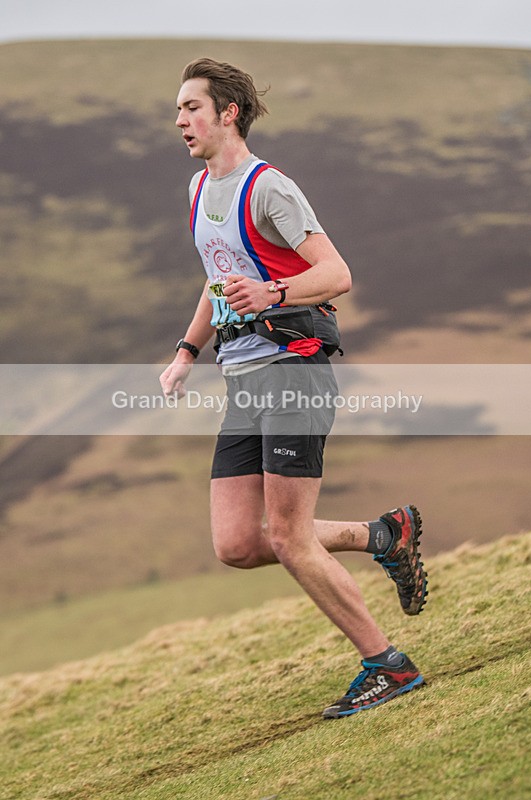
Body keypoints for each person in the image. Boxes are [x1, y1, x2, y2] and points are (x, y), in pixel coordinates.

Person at [160, 58, 428, 718]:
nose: (180, 120)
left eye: (192, 107)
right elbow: (218, 278)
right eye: (177, 110)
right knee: (239, 544)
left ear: (228, 113)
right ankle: (384, 536)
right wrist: (186, 350)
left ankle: (387, 666)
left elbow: (337, 272)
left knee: (287, 536)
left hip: (295, 370)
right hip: (245, 381)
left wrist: (275, 291)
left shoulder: (268, 188)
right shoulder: (198, 190)